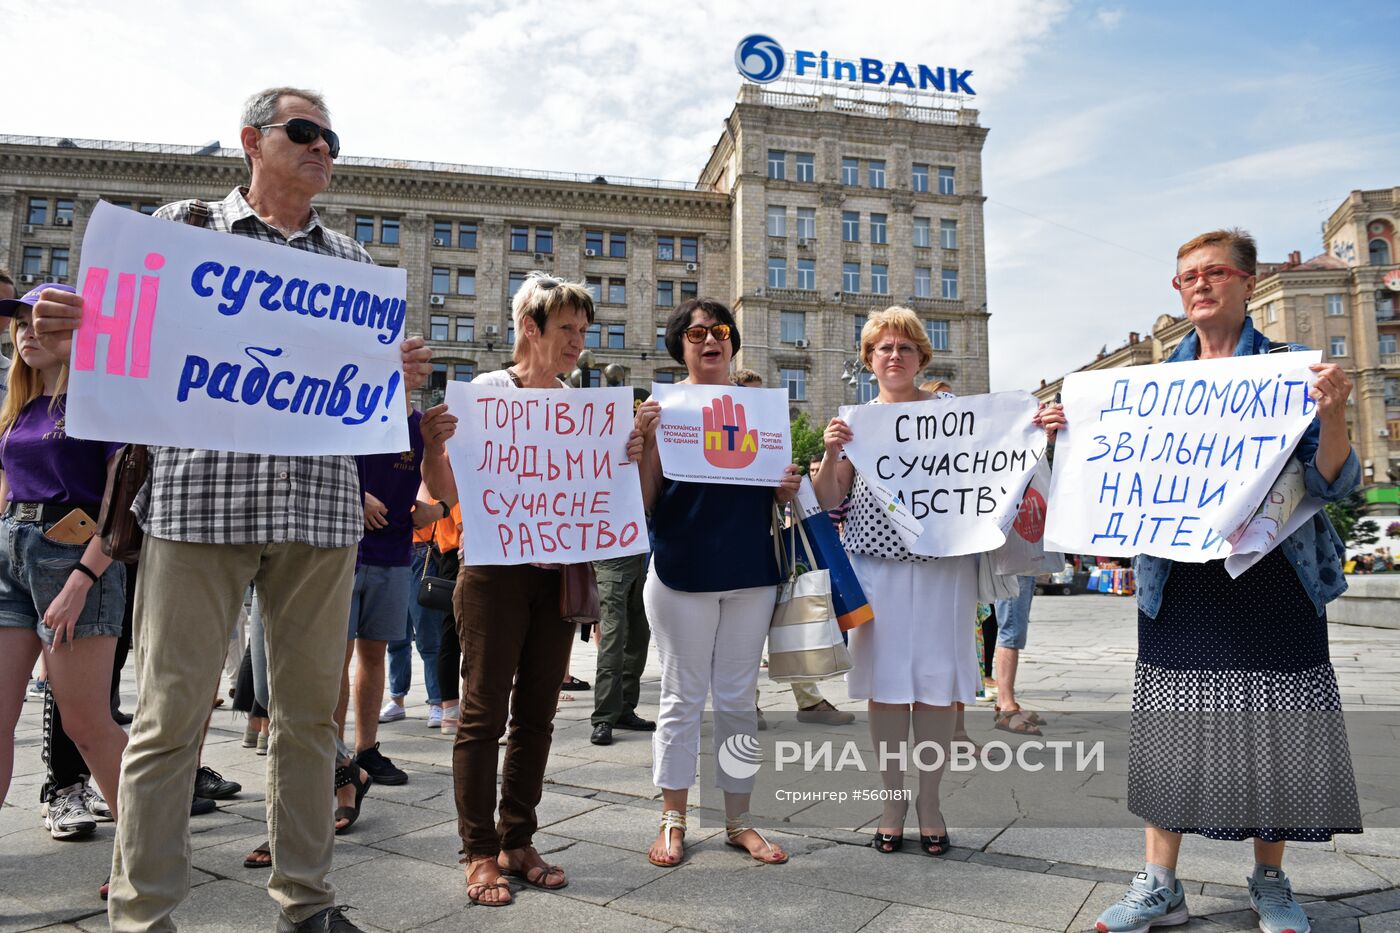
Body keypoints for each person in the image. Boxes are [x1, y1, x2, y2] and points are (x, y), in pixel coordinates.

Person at [32, 87, 432, 933]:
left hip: (319, 511)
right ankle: (143, 913)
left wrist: (394, 377)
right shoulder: (181, 229)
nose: (324, 146)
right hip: (198, 502)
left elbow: (360, 394)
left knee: (305, 720)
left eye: (332, 136)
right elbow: (120, 337)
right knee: (171, 713)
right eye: (305, 131)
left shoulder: (353, 263)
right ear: (251, 140)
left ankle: (307, 901)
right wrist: (74, 328)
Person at [1080, 229, 1361, 933]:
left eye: (1213, 272)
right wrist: (1069, 432)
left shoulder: (1287, 370)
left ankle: (1270, 879)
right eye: (1186, 278)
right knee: (1172, 725)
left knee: (1278, 725)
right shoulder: (1150, 383)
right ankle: (1159, 883)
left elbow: (1333, 480)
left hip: (1275, 579)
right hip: (1180, 581)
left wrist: (1333, 414)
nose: (1198, 285)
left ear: (1247, 280)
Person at [814, 306, 1030, 857]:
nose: (894, 356)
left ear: (920, 357)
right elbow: (828, 499)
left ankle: (929, 802)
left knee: (935, 688)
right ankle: (893, 802)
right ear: (868, 360)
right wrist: (831, 449)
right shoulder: (857, 420)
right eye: (883, 348)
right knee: (886, 689)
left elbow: (1002, 458)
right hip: (876, 567)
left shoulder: (953, 413)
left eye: (905, 347)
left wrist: (1038, 429)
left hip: (942, 565)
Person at [419, 271, 596, 907]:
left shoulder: (581, 405)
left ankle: (518, 840)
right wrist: (434, 451)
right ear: (530, 328)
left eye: (583, 331)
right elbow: (444, 492)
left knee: (538, 716)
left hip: (556, 578)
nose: (579, 342)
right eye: (567, 329)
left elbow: (594, 491)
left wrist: (631, 451)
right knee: (483, 711)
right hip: (493, 575)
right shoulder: (490, 392)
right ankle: (477, 849)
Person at [632, 297, 801, 868]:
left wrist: (784, 488)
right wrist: (644, 448)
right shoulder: (660, 407)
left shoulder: (760, 409)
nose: (711, 340)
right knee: (682, 698)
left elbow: (772, 493)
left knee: (737, 702)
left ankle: (738, 820)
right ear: (680, 345)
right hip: (683, 572)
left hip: (751, 573)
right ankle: (673, 818)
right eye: (697, 332)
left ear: (732, 343)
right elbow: (647, 503)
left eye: (720, 331)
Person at [0, 283, 128, 889]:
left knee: (85, 721)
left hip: (72, 560)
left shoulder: (101, 402)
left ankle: (146, 847)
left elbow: (121, 502)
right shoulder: (18, 406)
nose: (29, 332)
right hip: (8, 559)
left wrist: (83, 578)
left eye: (46, 323)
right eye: (22, 322)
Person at [733, 371, 852, 730]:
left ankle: (809, 700)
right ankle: (747, 704)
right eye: (749, 396)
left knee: (791, 619)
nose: (758, 404)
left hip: (773, 544)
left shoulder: (769, 439)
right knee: (748, 633)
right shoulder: (721, 441)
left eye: (762, 397)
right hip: (738, 549)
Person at [332, 411, 431, 793]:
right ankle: (334, 754)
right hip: (345, 550)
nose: (417, 369)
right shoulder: (354, 411)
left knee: (375, 653)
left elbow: (437, 478)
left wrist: (434, 507)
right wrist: (355, 496)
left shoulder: (419, 426)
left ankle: (365, 749)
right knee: (337, 657)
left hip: (394, 555)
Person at [382, 490, 449, 728]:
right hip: (394, 547)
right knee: (395, 634)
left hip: (425, 550)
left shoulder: (427, 465)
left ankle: (437, 701)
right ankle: (397, 698)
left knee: (427, 633)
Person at [588, 548, 654, 745]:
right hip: (611, 558)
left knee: (639, 636)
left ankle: (624, 708)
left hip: (641, 557)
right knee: (612, 639)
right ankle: (604, 717)